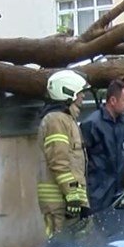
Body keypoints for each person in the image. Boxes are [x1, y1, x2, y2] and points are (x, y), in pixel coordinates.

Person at [37, 69, 91, 235]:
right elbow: (59, 162)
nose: (83, 97)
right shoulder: (56, 120)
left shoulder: (66, 119)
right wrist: (72, 195)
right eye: (80, 93)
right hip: (61, 203)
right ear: (68, 91)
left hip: (68, 200)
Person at [81, 80, 124, 212]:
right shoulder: (92, 124)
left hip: (118, 194)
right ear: (113, 100)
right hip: (97, 195)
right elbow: (80, 161)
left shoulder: (122, 125)